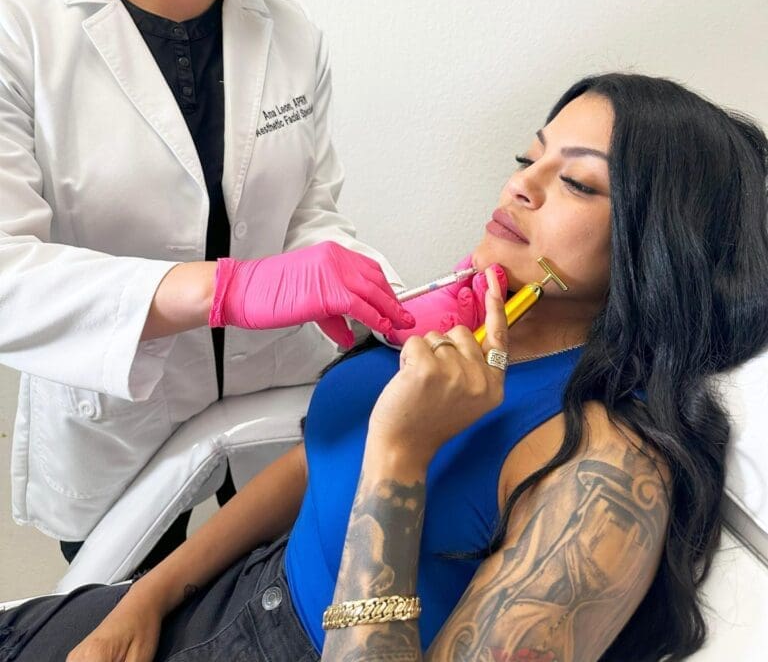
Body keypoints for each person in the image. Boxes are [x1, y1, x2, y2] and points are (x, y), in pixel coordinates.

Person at [2, 71, 766, 662]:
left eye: (575, 181)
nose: (518, 185)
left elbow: (375, 464)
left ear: (658, 246)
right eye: (526, 157)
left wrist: (402, 455)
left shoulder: (601, 477)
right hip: (224, 600)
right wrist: (149, 596)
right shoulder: (483, 326)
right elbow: (317, 465)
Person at [0, 0, 491, 567]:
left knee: (267, 606)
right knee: (127, 616)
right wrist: (221, 291)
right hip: (117, 422)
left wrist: (370, 288)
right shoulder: (21, 29)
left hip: (276, 405)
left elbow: (312, 214)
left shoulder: (289, 33)